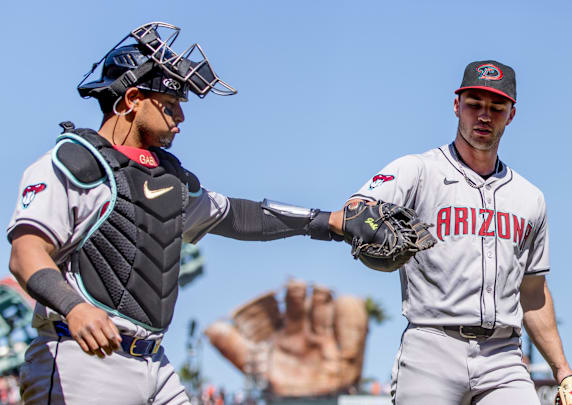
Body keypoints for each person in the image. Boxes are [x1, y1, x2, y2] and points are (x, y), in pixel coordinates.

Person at [6, 22, 400, 405]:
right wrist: (74, 307)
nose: (180, 118)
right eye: (170, 105)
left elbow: (237, 215)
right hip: (81, 357)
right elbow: (26, 254)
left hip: (154, 361)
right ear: (131, 100)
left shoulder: (169, 178)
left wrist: (327, 221)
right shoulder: (73, 161)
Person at [347, 60, 572, 404]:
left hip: (503, 355)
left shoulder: (530, 197)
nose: (484, 115)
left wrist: (563, 370)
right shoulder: (418, 171)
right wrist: (360, 219)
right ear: (457, 106)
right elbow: (356, 208)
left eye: (496, 107)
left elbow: (533, 291)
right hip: (431, 346)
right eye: (474, 104)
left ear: (512, 114)